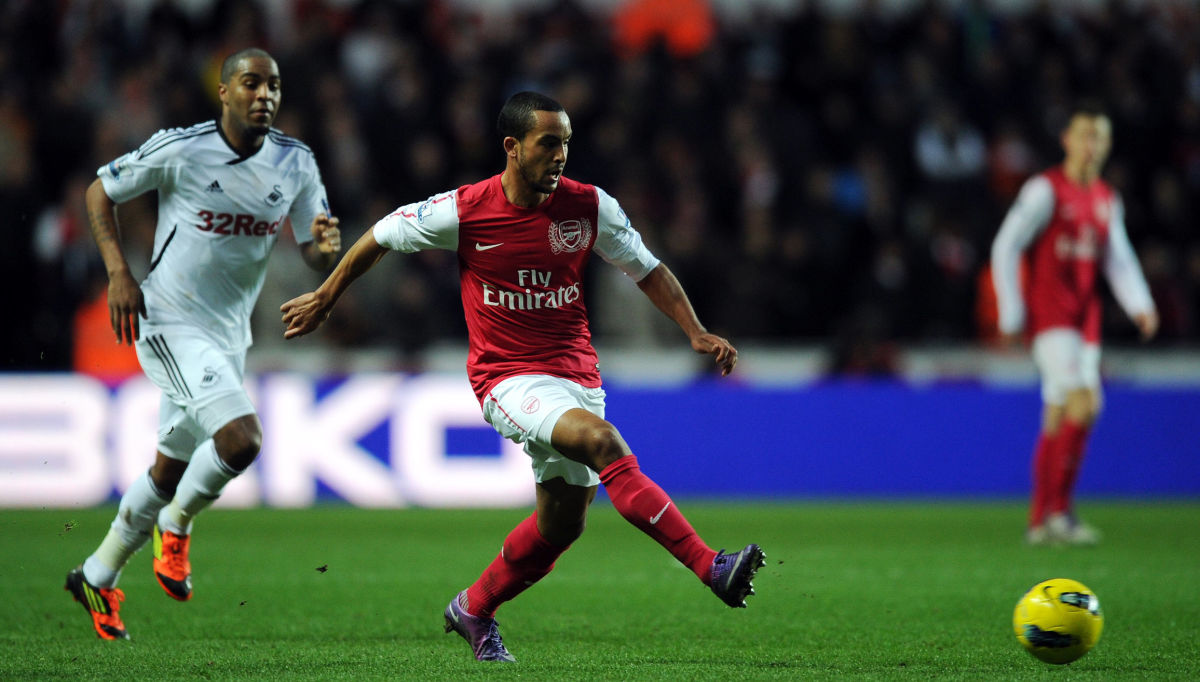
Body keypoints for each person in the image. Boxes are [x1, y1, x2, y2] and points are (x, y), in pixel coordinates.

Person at [281, 91, 764, 662]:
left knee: (561, 526)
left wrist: (694, 330)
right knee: (604, 444)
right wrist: (326, 296)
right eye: (548, 143)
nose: (561, 155)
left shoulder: (590, 207)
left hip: (577, 376)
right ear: (512, 147)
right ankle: (712, 566)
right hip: (507, 378)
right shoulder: (463, 210)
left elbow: (647, 268)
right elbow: (381, 236)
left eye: (566, 142)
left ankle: (473, 609)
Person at [65, 48, 341, 640]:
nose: (264, 94)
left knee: (168, 470)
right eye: (251, 83)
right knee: (241, 440)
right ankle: (178, 527)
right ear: (224, 92)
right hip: (167, 321)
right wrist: (118, 273)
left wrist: (325, 246)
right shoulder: (182, 148)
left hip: (227, 334)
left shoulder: (295, 163)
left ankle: (96, 573)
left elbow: (314, 249)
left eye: (273, 86)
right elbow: (98, 192)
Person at [990, 104, 1157, 546]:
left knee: (1059, 414)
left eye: (1099, 137)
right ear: (1067, 140)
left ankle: (1039, 520)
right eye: (1084, 135)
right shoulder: (1045, 191)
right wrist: (1011, 311)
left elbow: (1117, 258)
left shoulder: (1105, 198)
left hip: (1086, 321)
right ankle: (1059, 513)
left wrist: (1140, 303)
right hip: (1050, 318)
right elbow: (1006, 245)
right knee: (1086, 403)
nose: (1091, 145)